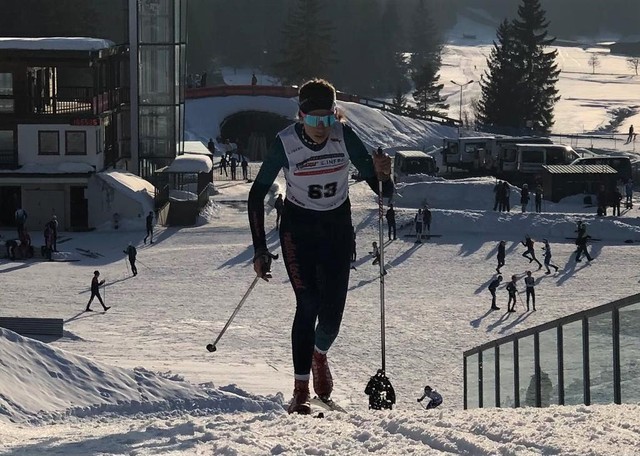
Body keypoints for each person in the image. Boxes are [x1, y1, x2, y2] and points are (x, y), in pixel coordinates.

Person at [247, 78, 393, 415]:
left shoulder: (344, 137)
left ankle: (319, 353)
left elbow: (382, 188)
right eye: (314, 120)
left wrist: (385, 174)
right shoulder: (284, 143)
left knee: (331, 319)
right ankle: (300, 388)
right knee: (308, 301)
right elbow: (256, 195)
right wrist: (259, 249)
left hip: (337, 230)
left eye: (328, 119)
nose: (321, 128)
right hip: (299, 231)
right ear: (300, 117)